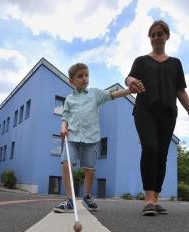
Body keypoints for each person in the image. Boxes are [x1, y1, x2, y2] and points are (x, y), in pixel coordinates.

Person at [126, 20, 189, 216]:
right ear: (149, 38)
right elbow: (130, 78)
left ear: (167, 36)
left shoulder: (175, 63)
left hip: (168, 113)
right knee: (150, 148)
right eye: (153, 34)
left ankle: (155, 198)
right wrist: (132, 82)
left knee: (162, 154)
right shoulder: (141, 61)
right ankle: (149, 200)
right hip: (145, 110)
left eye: (160, 34)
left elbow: (180, 90)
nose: (156, 37)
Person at [54, 63, 143, 213]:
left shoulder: (95, 93)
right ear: (71, 81)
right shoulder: (69, 99)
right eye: (80, 76)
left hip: (91, 137)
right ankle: (69, 200)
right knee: (66, 164)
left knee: (90, 169)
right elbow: (65, 116)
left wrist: (129, 90)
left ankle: (87, 196)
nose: (84, 78)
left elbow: (112, 95)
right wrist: (63, 127)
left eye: (86, 75)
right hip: (72, 135)